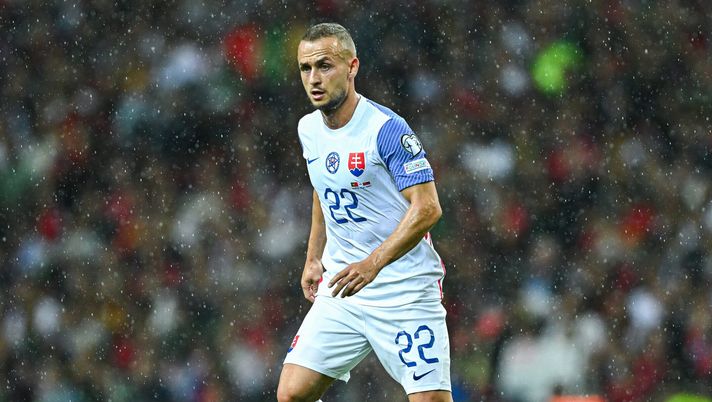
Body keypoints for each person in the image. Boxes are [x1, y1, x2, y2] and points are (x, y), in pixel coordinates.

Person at [277, 23, 452, 402]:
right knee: (291, 394)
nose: (313, 79)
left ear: (352, 67)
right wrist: (312, 258)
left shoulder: (386, 130)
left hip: (404, 291)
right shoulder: (309, 129)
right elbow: (323, 189)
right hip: (344, 288)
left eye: (324, 65)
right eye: (305, 69)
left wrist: (373, 264)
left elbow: (428, 208)